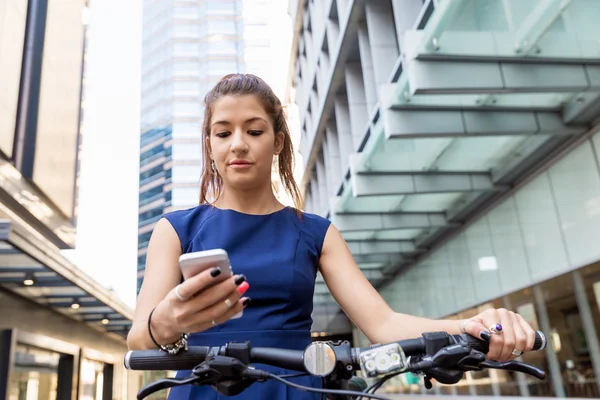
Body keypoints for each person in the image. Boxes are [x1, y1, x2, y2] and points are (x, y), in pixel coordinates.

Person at [127, 73, 538, 399]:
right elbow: (138, 339)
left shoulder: (315, 231)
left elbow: (384, 324)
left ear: (277, 142)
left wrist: (474, 325)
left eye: (254, 131)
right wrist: (164, 324)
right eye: (223, 133)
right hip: (201, 389)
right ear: (210, 145)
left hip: (297, 389)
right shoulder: (175, 229)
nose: (238, 144)